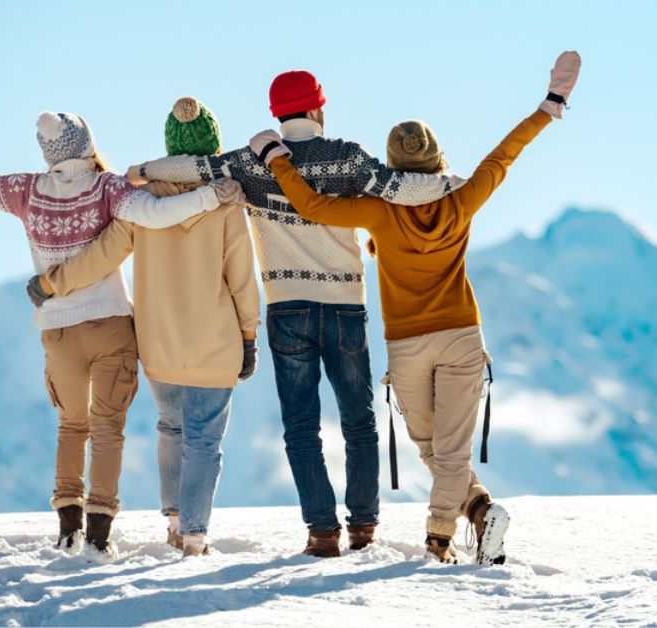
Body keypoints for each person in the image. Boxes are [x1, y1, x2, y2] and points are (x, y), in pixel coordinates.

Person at [0, 112, 242, 561]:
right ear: (88, 142)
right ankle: (98, 535)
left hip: (58, 330)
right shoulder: (108, 188)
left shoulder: (26, 191)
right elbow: (158, 212)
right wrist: (211, 196)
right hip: (110, 324)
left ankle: (68, 529)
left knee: (71, 427)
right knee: (108, 431)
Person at [249, 51, 581, 564]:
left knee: (435, 449)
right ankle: (480, 512)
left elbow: (312, 206)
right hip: (462, 338)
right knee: (443, 451)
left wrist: (275, 159)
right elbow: (504, 156)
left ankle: (439, 540)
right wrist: (550, 105)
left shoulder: (379, 212)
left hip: (406, 346)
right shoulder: (461, 199)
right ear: (437, 161)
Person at [124, 73, 462, 557]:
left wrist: (140, 169)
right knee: (358, 421)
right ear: (319, 110)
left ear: (277, 115)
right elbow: (401, 188)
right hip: (345, 306)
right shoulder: (346, 155)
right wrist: (456, 183)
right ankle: (363, 528)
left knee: (301, 426)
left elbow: (191, 167)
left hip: (287, 308)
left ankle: (321, 532)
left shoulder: (249, 163)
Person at [29, 98, 259, 558]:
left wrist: (53, 282)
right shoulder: (227, 202)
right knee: (204, 440)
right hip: (215, 342)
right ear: (210, 147)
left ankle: (176, 525)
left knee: (171, 428)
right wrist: (250, 335)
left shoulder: (142, 201)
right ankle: (194, 538)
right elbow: (241, 279)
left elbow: (102, 255)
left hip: (157, 343)